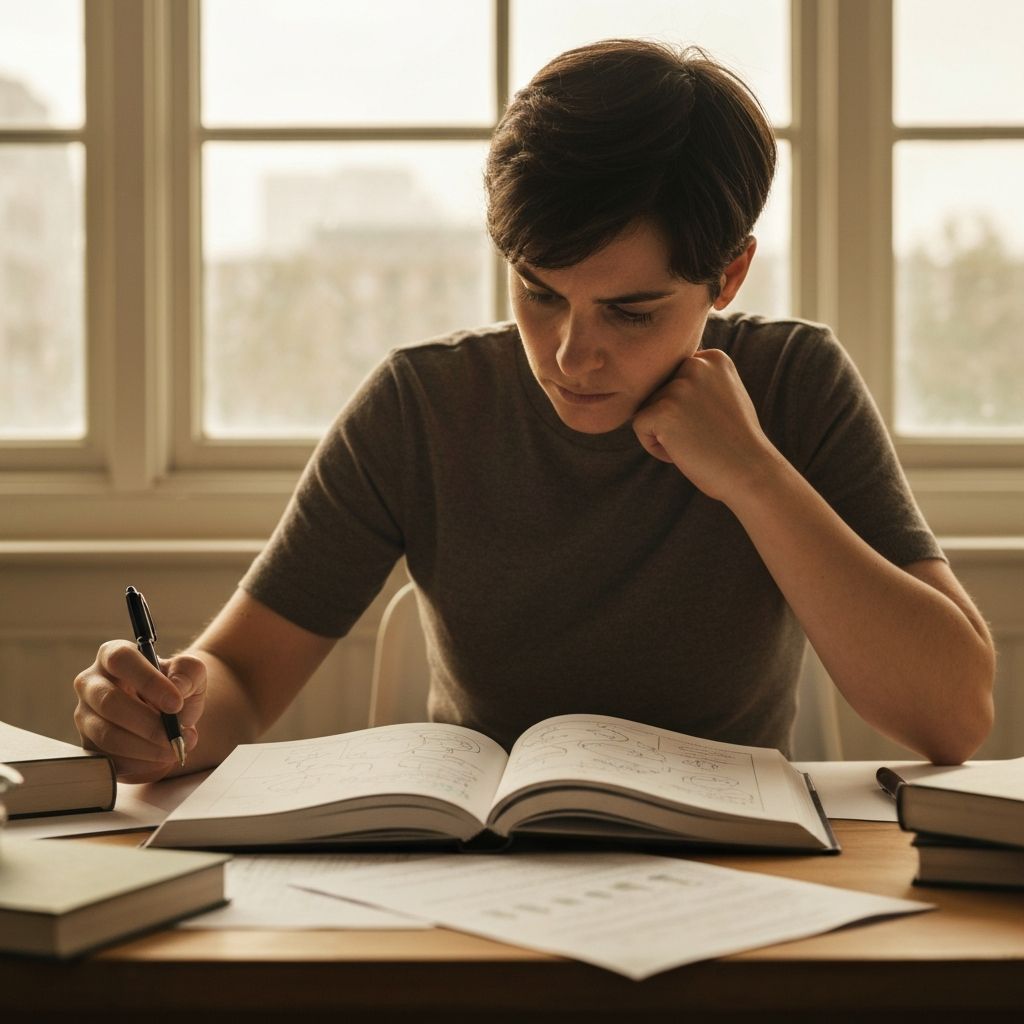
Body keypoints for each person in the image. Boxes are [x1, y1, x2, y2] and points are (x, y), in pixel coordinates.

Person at [73, 39, 994, 783]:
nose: (570, 354)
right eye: (539, 293)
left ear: (729, 275)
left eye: (630, 312)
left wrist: (754, 475)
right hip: (482, 879)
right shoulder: (422, 406)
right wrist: (169, 710)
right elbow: (240, 674)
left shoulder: (794, 382)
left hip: (735, 876)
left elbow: (954, 718)